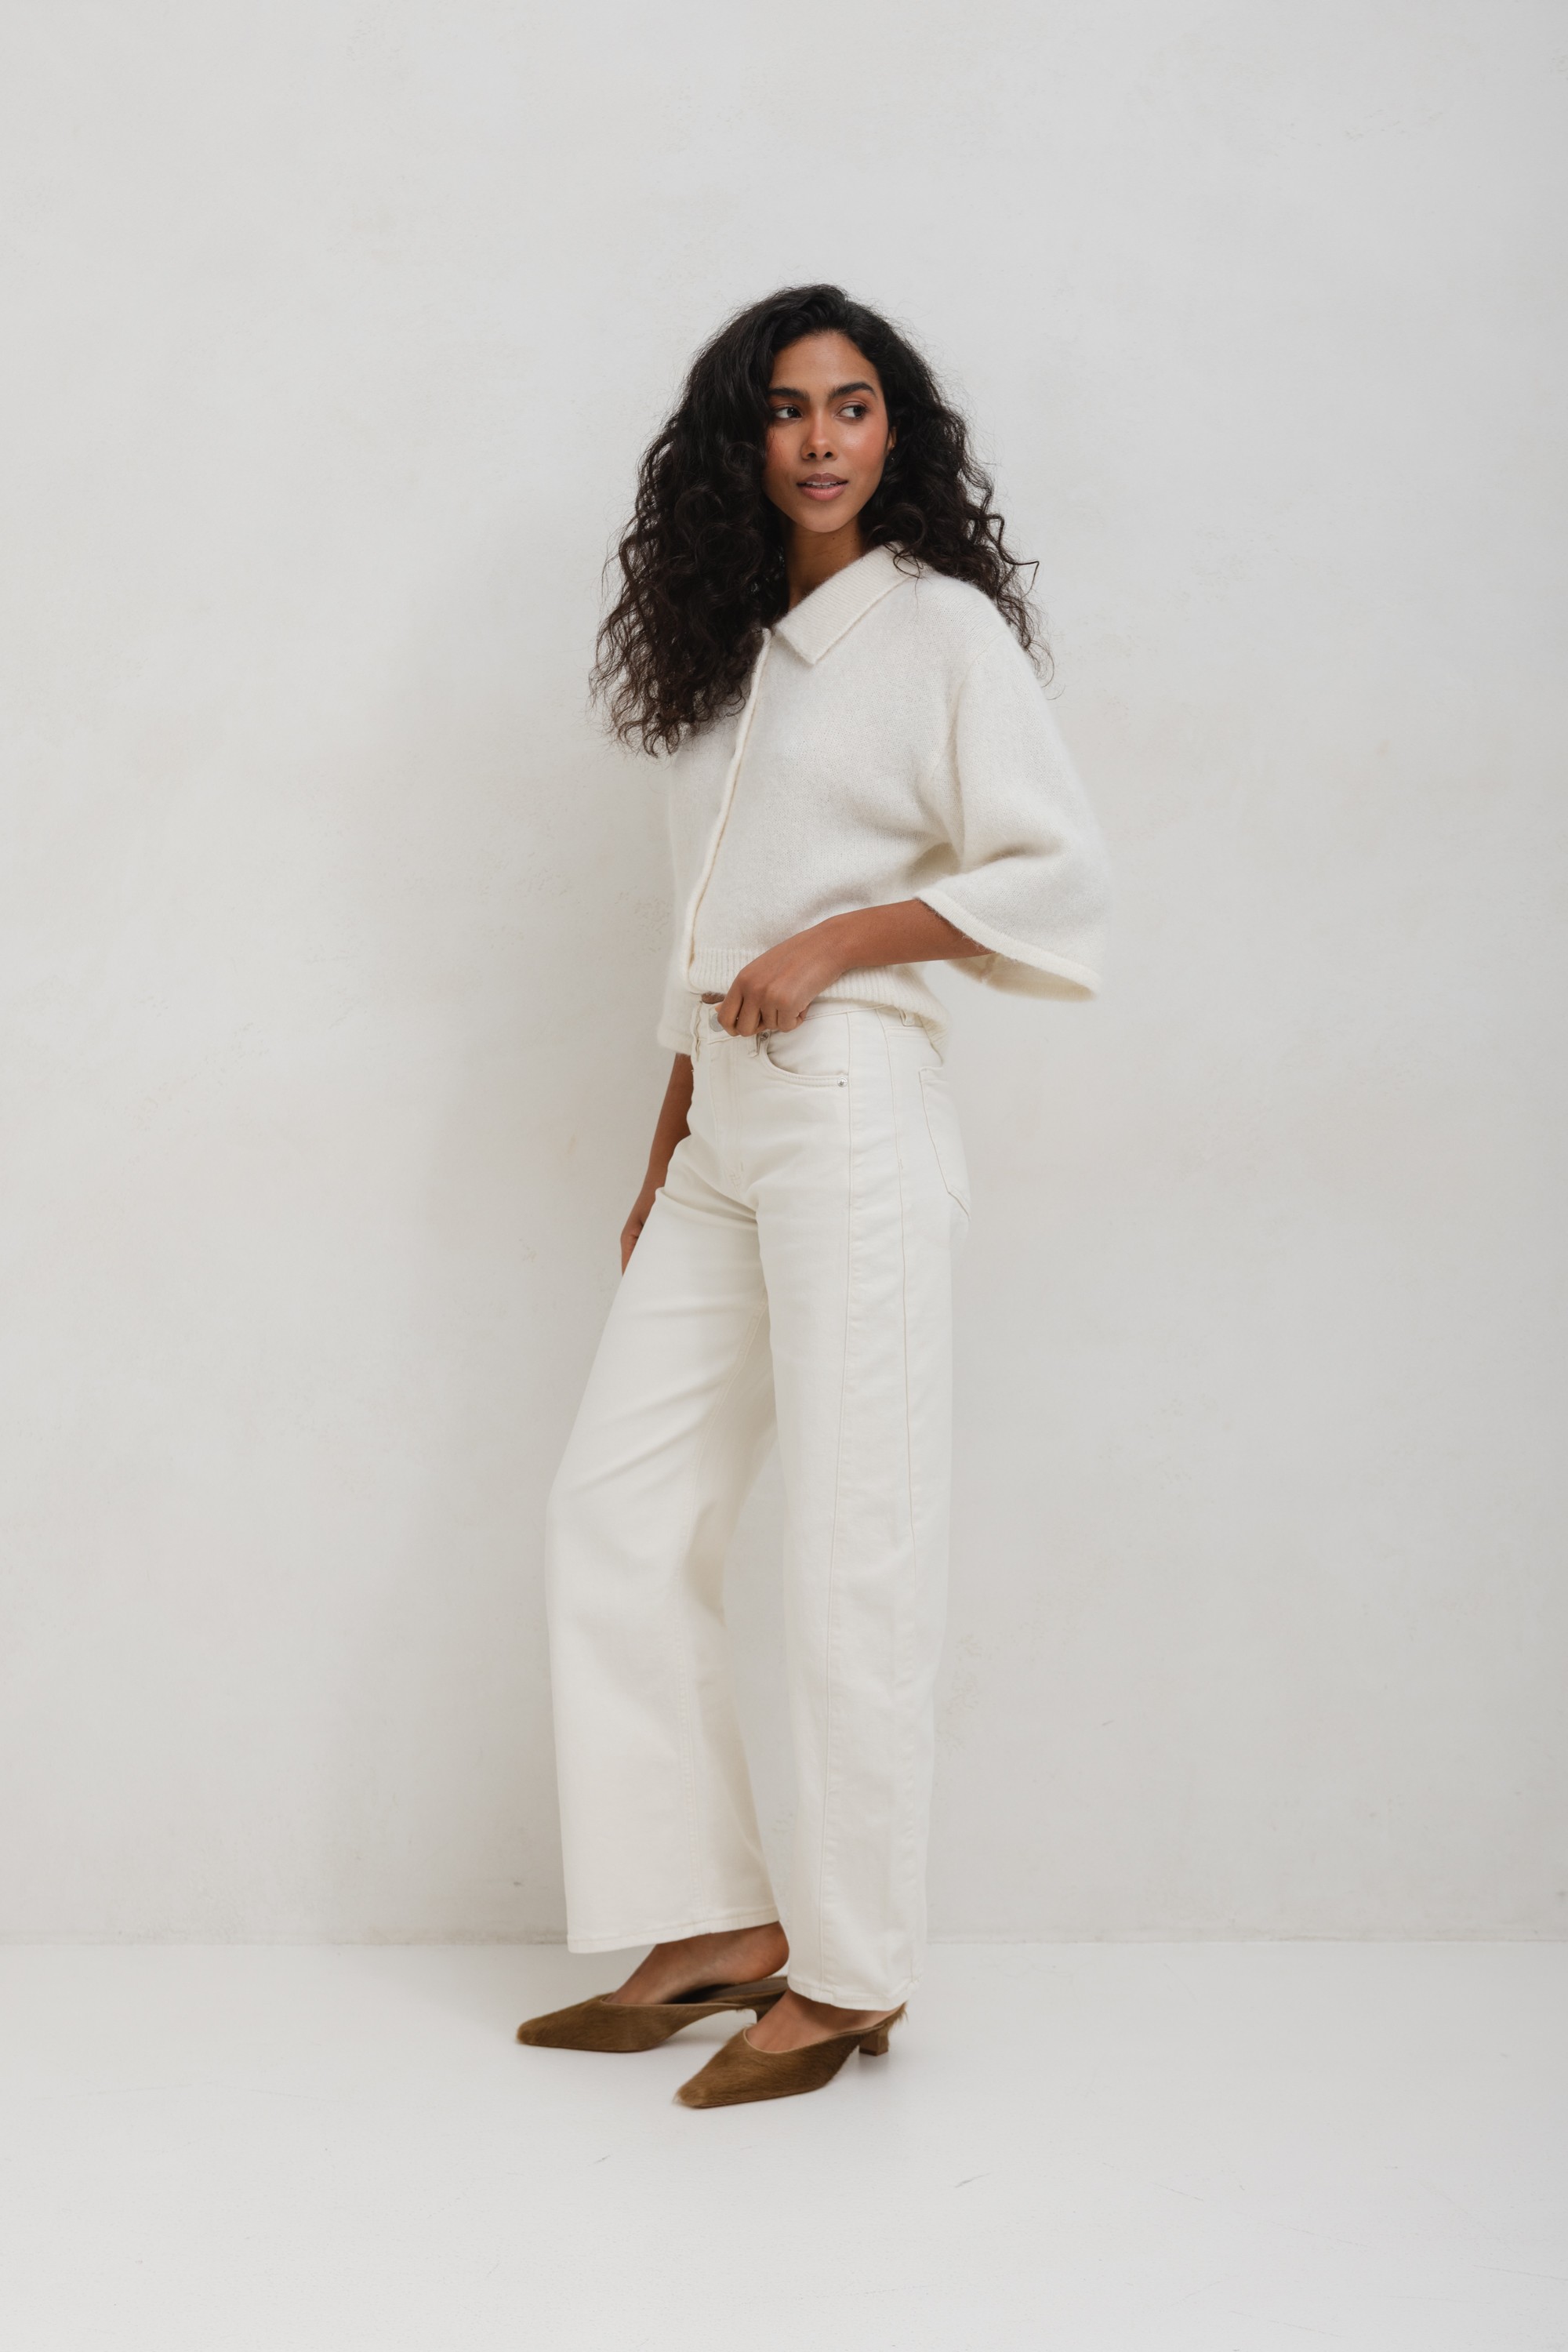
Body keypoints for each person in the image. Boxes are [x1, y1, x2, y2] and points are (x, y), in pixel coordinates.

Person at [517, 285, 1110, 2107]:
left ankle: (852, 1974)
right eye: (786, 409)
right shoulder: (724, 661)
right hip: (723, 1126)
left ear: (894, 430)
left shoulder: (936, 630)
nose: (823, 438)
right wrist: (665, 1145)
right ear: (742, 441)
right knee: (616, 1513)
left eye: (853, 405)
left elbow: (1054, 869)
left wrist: (841, 939)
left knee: (854, 1546)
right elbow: (699, 934)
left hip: (852, 1099)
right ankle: (711, 1919)